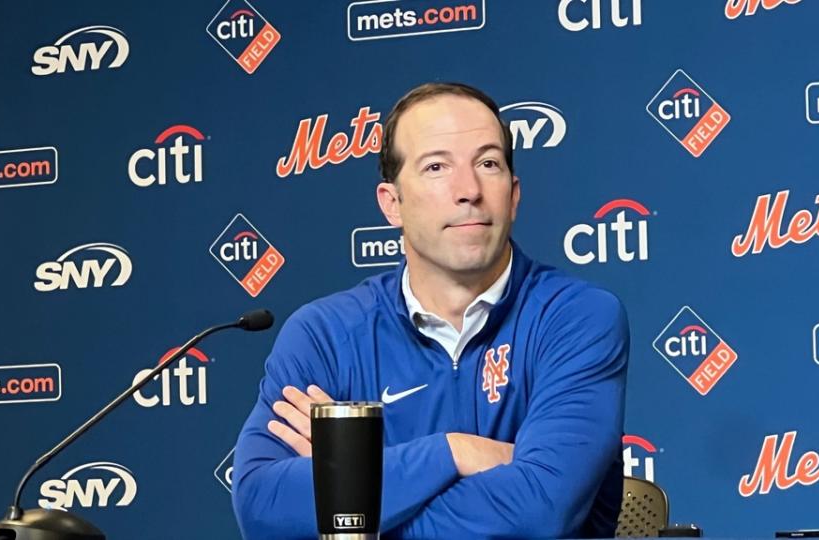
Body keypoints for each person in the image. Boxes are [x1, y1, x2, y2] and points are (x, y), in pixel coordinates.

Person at [232, 82, 629, 539]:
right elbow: (261, 507)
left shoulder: (576, 318)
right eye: (437, 166)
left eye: (488, 163)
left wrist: (354, 492)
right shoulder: (325, 334)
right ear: (391, 204)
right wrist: (449, 452)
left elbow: (539, 512)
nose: (469, 190)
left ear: (514, 194)